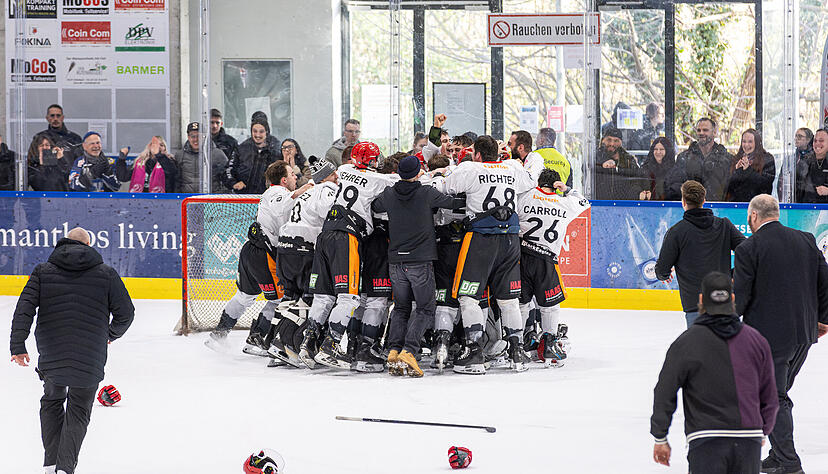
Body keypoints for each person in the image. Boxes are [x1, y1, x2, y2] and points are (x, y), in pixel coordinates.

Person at [10, 227, 134, 474]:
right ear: (89, 244)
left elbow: (24, 308)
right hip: (90, 353)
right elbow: (126, 314)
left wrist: (18, 345)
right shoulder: (106, 274)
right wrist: (108, 335)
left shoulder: (42, 272)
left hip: (52, 350)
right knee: (78, 408)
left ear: (62, 243)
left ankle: (51, 464)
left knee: (52, 401)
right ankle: (64, 468)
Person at [734, 194, 828, 474]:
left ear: (753, 216)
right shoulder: (806, 240)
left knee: (773, 398)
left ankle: (789, 462)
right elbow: (825, 282)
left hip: (768, 339)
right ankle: (777, 455)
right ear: (776, 212)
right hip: (803, 334)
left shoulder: (749, 249)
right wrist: (823, 319)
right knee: (778, 394)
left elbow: (740, 299)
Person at [650, 272, 778, 474]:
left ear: (701, 300)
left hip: (705, 439)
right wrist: (762, 430)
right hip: (748, 440)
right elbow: (770, 395)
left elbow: (664, 391)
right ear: (733, 299)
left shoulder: (686, 342)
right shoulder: (756, 341)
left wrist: (660, 437)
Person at [299, 142, 398, 370]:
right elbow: (401, 183)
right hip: (347, 236)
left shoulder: (344, 171)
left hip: (325, 234)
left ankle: (308, 344)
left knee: (323, 297)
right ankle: (329, 347)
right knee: (349, 298)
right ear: (371, 161)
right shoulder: (378, 180)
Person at [444, 135, 535, 374]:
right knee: (508, 300)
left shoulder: (471, 168)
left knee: (468, 296)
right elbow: (529, 182)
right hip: (510, 240)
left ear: (477, 154)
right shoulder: (512, 168)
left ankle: (474, 352)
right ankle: (517, 352)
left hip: (481, 239)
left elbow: (447, 187)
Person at [206, 162, 313, 356]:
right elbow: (282, 206)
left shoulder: (275, 192)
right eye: (292, 174)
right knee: (279, 300)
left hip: (252, 251)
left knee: (245, 296)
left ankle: (219, 335)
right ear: (283, 180)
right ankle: (256, 340)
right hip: (263, 255)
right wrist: (304, 189)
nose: (295, 177)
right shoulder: (276, 193)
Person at [372, 155, 458, 377]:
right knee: (425, 308)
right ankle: (409, 351)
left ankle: (393, 350)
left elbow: (375, 205)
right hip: (420, 261)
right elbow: (453, 204)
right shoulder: (426, 193)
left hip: (396, 263)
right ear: (418, 172)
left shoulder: (389, 194)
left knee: (401, 308)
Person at [268, 158, 339, 367]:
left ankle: (273, 345)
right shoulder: (326, 188)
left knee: (290, 297)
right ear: (324, 177)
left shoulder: (305, 190)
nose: (337, 177)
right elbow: (329, 213)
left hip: (285, 248)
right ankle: (284, 343)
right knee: (310, 298)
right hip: (303, 249)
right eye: (333, 173)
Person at [516, 169, 590, 368]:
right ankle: (549, 345)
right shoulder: (565, 202)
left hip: (521, 257)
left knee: (522, 304)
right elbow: (584, 202)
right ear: (556, 184)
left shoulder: (525, 196)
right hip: (547, 260)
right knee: (549, 307)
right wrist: (566, 190)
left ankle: (519, 346)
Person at [655, 180, 745, 327]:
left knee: (701, 348)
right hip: (723, 301)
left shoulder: (677, 232)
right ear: (704, 200)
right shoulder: (724, 225)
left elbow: (661, 270)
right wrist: (732, 274)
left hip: (694, 306)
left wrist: (664, 273)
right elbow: (748, 252)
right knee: (724, 348)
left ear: (683, 202)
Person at [667, 117, 733, 201]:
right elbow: (675, 184)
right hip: (691, 208)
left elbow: (731, 187)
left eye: (705, 130)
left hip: (718, 209)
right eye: (698, 130)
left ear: (714, 132)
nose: (701, 133)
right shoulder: (684, 157)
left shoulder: (726, 159)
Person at [225, 118, 280, 194]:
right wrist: (233, 183)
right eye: (255, 131)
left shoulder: (275, 151)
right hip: (243, 198)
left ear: (267, 132)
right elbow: (228, 170)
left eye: (261, 132)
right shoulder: (241, 149)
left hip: (266, 197)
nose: (257, 135)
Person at [175, 122, 228, 194]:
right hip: (187, 200)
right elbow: (176, 180)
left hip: (211, 200)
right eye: (193, 136)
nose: (196, 139)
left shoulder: (217, 154)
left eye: (199, 136)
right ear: (188, 137)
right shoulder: (180, 155)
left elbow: (227, 177)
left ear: (204, 137)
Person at [594, 127, 644, 200]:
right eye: (609, 140)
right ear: (602, 141)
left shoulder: (629, 160)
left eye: (616, 141)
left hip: (623, 205)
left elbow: (638, 181)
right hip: (599, 204)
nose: (612, 143)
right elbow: (586, 169)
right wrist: (602, 164)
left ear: (621, 143)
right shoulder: (594, 157)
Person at [726, 129, 776, 202]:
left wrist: (748, 170)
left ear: (757, 143)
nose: (746, 145)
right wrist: (736, 171)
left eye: (750, 142)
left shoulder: (767, 159)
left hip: (759, 206)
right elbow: (728, 188)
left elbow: (766, 185)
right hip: (737, 207)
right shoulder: (736, 159)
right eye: (744, 141)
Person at [778, 127, 813, 201]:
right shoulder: (790, 159)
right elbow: (781, 182)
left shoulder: (814, 159)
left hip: (809, 202)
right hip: (792, 200)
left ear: (808, 140)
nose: (796, 138)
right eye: (796, 136)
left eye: (800, 136)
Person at [800, 128, 828, 204]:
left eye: (821, 141)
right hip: (807, 209)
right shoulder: (805, 160)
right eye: (815, 141)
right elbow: (798, 186)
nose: (817, 143)